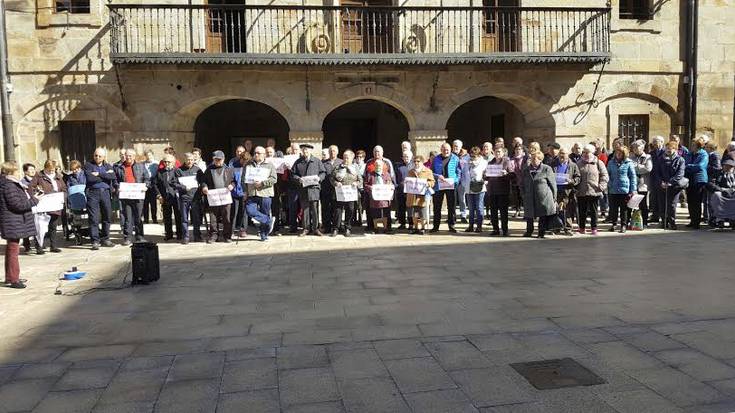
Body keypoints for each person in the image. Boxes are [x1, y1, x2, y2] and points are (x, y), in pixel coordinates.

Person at [1, 162, 39, 288]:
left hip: (13, 221)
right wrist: (35, 200)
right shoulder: (9, 186)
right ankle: (14, 279)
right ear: (11, 172)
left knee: (11, 249)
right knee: (13, 251)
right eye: (17, 171)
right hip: (12, 221)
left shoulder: (9, 184)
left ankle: (10, 277)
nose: (19, 173)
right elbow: (17, 205)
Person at [27, 160, 67, 253]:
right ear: (45, 168)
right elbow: (31, 188)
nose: (52, 172)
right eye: (50, 170)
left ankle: (53, 246)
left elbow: (64, 188)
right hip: (43, 204)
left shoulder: (58, 176)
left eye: (53, 170)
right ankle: (39, 247)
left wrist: (63, 196)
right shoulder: (39, 176)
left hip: (55, 203)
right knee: (40, 227)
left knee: (53, 226)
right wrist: (37, 195)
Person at [113, 149, 149, 245]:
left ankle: (139, 236)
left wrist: (146, 186)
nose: (128, 157)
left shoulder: (140, 166)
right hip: (126, 195)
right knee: (127, 218)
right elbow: (115, 180)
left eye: (130, 156)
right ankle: (127, 238)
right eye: (127, 155)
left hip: (138, 195)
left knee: (138, 217)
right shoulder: (119, 167)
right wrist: (117, 187)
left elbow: (146, 178)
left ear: (134, 156)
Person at [243, 146, 277, 241]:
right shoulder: (248, 165)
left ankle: (264, 234)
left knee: (264, 212)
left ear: (264, 155)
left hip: (265, 193)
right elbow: (243, 179)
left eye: (258, 153)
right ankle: (268, 220)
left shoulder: (270, 165)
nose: (256, 155)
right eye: (255, 153)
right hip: (252, 193)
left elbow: (274, 179)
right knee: (249, 210)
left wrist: (262, 183)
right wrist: (245, 191)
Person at [291, 144, 326, 236]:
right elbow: (293, 174)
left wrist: (319, 178)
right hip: (303, 189)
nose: (305, 152)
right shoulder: (298, 162)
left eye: (307, 150)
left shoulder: (317, 161)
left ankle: (315, 228)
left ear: (311, 151)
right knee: (305, 210)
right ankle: (306, 228)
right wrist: (298, 179)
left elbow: (323, 172)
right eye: (303, 150)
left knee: (314, 210)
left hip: (314, 189)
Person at [84, 148, 116, 250]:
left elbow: (112, 176)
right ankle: (95, 240)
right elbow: (90, 178)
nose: (97, 157)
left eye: (99, 156)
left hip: (105, 193)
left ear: (103, 157)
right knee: (94, 218)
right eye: (95, 155)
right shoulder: (89, 165)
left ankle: (106, 238)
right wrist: (105, 176)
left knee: (107, 216)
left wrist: (99, 174)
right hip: (93, 193)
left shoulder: (108, 166)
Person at [201, 151, 236, 243]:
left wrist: (232, 185)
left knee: (226, 217)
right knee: (213, 217)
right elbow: (204, 181)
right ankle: (214, 235)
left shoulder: (228, 169)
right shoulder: (209, 170)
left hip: (225, 196)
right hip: (213, 197)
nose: (217, 161)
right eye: (215, 159)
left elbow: (233, 181)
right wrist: (204, 187)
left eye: (219, 159)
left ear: (223, 159)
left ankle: (227, 236)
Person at [522, 151, 557, 238]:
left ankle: (541, 232)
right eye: (531, 159)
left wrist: (554, 197)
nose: (532, 160)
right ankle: (529, 231)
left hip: (543, 197)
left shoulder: (546, 169)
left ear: (540, 159)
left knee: (542, 215)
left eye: (534, 159)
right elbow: (521, 183)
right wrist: (523, 194)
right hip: (529, 196)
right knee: (529, 214)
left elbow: (553, 184)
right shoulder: (526, 169)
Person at [576, 144, 608, 235]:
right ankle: (581, 227)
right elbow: (575, 175)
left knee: (594, 211)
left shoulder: (598, 162)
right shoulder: (579, 163)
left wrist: (601, 186)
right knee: (582, 211)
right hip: (581, 191)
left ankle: (594, 228)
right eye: (584, 152)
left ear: (592, 152)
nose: (585, 154)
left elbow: (604, 175)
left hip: (594, 191)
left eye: (588, 152)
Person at [330, 149, 362, 237]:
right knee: (338, 211)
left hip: (350, 194)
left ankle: (347, 228)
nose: (345, 159)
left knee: (350, 210)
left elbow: (360, 180)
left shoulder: (355, 168)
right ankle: (336, 228)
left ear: (352, 158)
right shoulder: (337, 167)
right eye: (344, 157)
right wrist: (336, 183)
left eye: (347, 157)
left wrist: (356, 183)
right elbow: (331, 178)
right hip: (339, 193)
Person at [431, 143, 461, 233]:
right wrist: (437, 176)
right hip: (438, 185)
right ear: (441, 149)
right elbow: (431, 172)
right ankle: (436, 226)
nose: (446, 151)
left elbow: (459, 172)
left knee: (451, 206)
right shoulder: (436, 159)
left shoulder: (455, 158)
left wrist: (456, 181)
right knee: (437, 206)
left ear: (450, 149)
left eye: (447, 149)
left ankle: (451, 225)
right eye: (444, 149)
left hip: (451, 185)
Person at [364, 146, 395, 232]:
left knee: (386, 210)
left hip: (384, 194)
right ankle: (372, 226)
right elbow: (365, 176)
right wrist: (370, 188)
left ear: (382, 152)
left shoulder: (387, 162)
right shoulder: (369, 162)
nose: (377, 153)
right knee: (372, 210)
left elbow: (391, 176)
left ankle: (387, 227)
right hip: (373, 193)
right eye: (375, 152)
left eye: (378, 152)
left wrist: (391, 186)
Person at [174, 153, 204, 243]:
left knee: (196, 218)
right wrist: (183, 188)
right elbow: (174, 183)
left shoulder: (198, 170)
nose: (190, 161)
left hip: (195, 197)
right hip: (184, 197)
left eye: (191, 159)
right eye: (188, 159)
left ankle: (197, 236)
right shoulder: (178, 170)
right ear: (185, 159)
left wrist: (203, 188)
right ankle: (186, 237)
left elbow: (202, 181)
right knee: (184, 219)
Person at [657, 141, 687, 230]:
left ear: (675, 149)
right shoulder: (660, 159)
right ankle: (664, 221)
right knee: (662, 204)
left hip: (674, 186)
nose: (668, 151)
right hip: (662, 185)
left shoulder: (680, 160)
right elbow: (657, 172)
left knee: (672, 205)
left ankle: (672, 221)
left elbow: (680, 174)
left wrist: (670, 182)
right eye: (667, 149)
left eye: (670, 150)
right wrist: (661, 182)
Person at [607, 146, 637, 233]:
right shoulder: (611, 162)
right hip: (613, 189)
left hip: (625, 190)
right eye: (617, 152)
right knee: (613, 208)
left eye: (620, 153)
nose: (618, 154)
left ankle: (623, 225)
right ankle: (614, 224)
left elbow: (633, 177)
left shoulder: (629, 163)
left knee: (624, 209)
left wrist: (633, 190)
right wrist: (609, 184)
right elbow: (607, 175)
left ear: (624, 154)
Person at [552, 148, 580, 235]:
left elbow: (578, 177)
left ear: (567, 155)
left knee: (567, 210)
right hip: (556, 190)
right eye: (560, 153)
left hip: (568, 191)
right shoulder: (553, 164)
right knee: (556, 209)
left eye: (564, 153)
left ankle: (568, 228)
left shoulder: (573, 165)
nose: (562, 155)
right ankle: (557, 227)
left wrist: (572, 181)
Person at [485, 146, 512, 236]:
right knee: (493, 211)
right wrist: (485, 175)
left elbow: (512, 175)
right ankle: (495, 229)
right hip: (492, 190)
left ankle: (505, 230)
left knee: (503, 212)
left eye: (499, 152)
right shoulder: (490, 162)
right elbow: (486, 177)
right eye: (496, 152)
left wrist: (506, 174)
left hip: (503, 191)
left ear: (503, 153)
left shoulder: (506, 162)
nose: (497, 153)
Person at [153, 154, 181, 241]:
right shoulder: (159, 172)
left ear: (173, 162)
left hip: (176, 197)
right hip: (164, 197)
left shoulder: (178, 171)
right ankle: (169, 234)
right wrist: (159, 195)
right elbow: (155, 184)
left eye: (169, 161)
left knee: (178, 216)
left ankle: (180, 234)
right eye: (165, 161)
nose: (167, 163)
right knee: (167, 217)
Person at [406, 155, 435, 235]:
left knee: (423, 213)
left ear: (422, 162)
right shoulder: (411, 171)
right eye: (414, 161)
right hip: (413, 196)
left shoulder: (427, 171)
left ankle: (423, 228)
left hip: (423, 196)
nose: (416, 163)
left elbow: (432, 182)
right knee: (415, 213)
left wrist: (428, 183)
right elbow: (408, 182)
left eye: (418, 161)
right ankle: (416, 228)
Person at [684, 137, 709, 229]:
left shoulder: (703, 154)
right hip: (689, 179)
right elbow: (684, 164)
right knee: (690, 201)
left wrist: (689, 166)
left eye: (693, 145)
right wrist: (689, 166)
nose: (691, 146)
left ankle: (696, 222)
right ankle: (692, 220)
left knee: (697, 201)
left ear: (698, 146)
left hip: (699, 179)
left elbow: (700, 166)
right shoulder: (689, 154)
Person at [627, 140, 652, 229]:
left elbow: (648, 169)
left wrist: (636, 166)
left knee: (643, 204)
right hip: (632, 184)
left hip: (643, 184)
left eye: (637, 147)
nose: (635, 149)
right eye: (633, 148)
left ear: (642, 148)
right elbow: (628, 168)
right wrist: (639, 167)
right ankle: (627, 222)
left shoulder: (648, 157)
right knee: (630, 203)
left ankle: (644, 221)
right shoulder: (630, 156)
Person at [465, 146, 488, 233]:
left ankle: (479, 226)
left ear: (479, 155)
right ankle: (470, 226)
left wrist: (484, 181)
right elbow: (464, 174)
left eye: (474, 156)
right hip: (469, 187)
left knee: (479, 207)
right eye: (471, 155)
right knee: (471, 208)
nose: (472, 157)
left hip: (479, 187)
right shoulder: (467, 162)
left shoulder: (484, 163)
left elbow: (487, 174)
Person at [706, 159, 735, 228]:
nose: (728, 168)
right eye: (726, 166)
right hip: (721, 192)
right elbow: (710, 184)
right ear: (723, 166)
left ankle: (733, 219)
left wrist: (732, 190)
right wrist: (721, 190)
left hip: (732, 192)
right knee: (717, 195)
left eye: (730, 167)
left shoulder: (733, 175)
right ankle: (719, 219)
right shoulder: (717, 173)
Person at [321, 145, 342, 234]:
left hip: (338, 190)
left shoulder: (341, 162)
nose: (332, 152)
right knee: (325, 208)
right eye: (330, 151)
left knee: (337, 209)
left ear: (337, 152)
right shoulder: (323, 163)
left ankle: (336, 227)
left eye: (334, 151)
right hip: (325, 189)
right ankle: (326, 227)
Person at [230, 150, 251, 238]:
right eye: (243, 160)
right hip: (235, 192)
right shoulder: (234, 166)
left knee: (244, 212)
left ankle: (243, 230)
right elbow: (231, 178)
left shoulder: (250, 167)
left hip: (245, 192)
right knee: (233, 212)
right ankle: (231, 230)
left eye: (246, 161)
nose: (244, 162)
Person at [648, 136, 666, 223]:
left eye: (657, 142)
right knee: (654, 198)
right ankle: (655, 216)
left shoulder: (665, 152)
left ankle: (663, 217)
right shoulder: (651, 153)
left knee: (662, 199)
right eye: (654, 142)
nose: (655, 144)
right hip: (654, 178)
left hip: (663, 178)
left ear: (662, 142)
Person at [705, 141, 722, 226]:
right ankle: (711, 219)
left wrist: (706, 167)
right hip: (709, 180)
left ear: (711, 148)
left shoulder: (715, 155)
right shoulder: (710, 155)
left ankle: (714, 219)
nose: (705, 148)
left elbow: (717, 169)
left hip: (712, 181)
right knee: (709, 201)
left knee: (712, 201)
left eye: (707, 147)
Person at [394, 151, 412, 231]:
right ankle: (402, 223)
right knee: (401, 208)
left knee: (410, 208)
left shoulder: (414, 165)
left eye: (407, 156)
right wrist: (396, 185)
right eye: (404, 156)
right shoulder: (398, 166)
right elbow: (394, 176)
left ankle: (411, 223)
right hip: (400, 190)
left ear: (411, 157)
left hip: (410, 191)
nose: (406, 158)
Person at [452, 140, 470, 223]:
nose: (455, 147)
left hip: (462, 180)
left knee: (462, 199)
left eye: (457, 146)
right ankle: (453, 216)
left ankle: (463, 215)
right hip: (452, 180)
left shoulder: (466, 156)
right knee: (453, 199)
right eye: (454, 145)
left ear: (461, 147)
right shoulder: (450, 155)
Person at [142, 150, 158, 224]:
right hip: (145, 184)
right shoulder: (142, 164)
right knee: (145, 203)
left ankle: (154, 219)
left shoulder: (156, 164)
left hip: (153, 184)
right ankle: (146, 219)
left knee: (153, 203)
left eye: (150, 155)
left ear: (153, 155)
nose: (149, 157)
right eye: (147, 155)